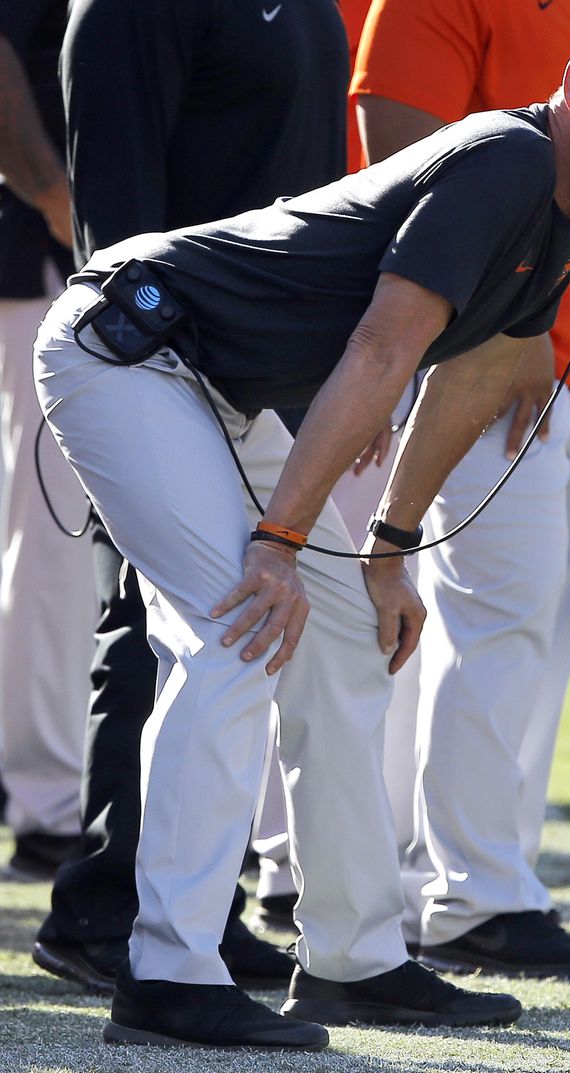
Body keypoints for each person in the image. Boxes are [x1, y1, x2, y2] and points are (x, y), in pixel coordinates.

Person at [33, 11, 570, 1049]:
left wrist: (389, 547)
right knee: (237, 632)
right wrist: (278, 540)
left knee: (346, 652)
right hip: (132, 349)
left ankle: (352, 959)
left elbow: (480, 368)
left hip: (219, 382)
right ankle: (166, 968)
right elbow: (380, 348)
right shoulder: (507, 159)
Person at [32, 0, 349, 999]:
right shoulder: (130, 10)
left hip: (265, 364)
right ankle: (108, 907)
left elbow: (320, 191)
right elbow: (121, 221)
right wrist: (163, 371)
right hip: (166, 359)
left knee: (233, 627)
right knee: (167, 619)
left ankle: (186, 905)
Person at [349, 0, 570, 979]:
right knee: (489, 622)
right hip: (481, 355)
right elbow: (396, 165)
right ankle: (469, 893)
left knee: (528, 645)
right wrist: (511, 317)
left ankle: (463, 874)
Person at [0, 0, 95, 881]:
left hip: (47, 251)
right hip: (38, 256)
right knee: (53, 536)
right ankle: (47, 802)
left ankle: (40, 792)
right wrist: (58, 195)